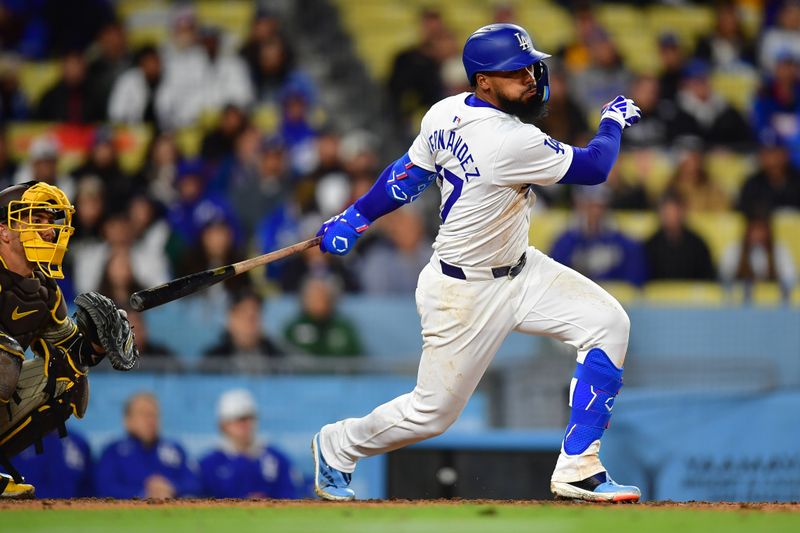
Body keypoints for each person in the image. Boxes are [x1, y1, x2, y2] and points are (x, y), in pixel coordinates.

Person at [310, 24, 642, 502]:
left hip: (522, 270)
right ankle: (338, 444)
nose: (530, 77)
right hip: (462, 293)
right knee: (433, 415)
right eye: (515, 72)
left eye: (530, 66)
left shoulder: (446, 112)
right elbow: (596, 167)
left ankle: (579, 467)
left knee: (608, 324)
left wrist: (357, 216)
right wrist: (612, 121)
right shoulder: (508, 140)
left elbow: (408, 173)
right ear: (483, 81)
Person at [0, 180, 137, 498]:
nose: (48, 230)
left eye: (50, 221)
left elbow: (73, 352)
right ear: (4, 230)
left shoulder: (44, 291)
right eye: (35, 219)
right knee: (4, 355)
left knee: (69, 374)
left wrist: (98, 340)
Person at [94, 392, 200, 499]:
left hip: (170, 511)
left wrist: (172, 488)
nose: (150, 420)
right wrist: (143, 494)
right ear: (127, 420)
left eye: (154, 415)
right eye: (143, 414)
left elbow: (195, 483)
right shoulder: (113, 452)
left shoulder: (175, 450)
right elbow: (105, 488)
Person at [199, 389, 298, 499]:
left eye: (250, 418)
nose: (246, 425)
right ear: (223, 424)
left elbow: (290, 493)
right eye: (239, 420)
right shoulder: (209, 463)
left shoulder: (276, 458)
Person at [550, 185, 647, 287]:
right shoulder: (565, 242)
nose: (595, 212)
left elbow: (634, 281)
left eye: (599, 206)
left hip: (611, 296)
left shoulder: (624, 244)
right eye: (589, 206)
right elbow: (555, 276)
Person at [203, 289, 284, 372]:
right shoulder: (212, 359)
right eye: (243, 313)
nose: (249, 321)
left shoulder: (279, 358)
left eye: (254, 315)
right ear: (230, 318)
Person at [283, 276, 363, 357]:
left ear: (331, 299)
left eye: (322, 295)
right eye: (312, 296)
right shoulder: (293, 327)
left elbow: (357, 359)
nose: (317, 301)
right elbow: (282, 358)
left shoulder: (344, 327)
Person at [644, 193, 715, 281]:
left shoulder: (698, 245)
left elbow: (708, 278)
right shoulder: (650, 245)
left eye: (674, 212)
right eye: (667, 213)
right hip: (658, 294)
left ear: (683, 212)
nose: (671, 217)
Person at [8, 427, 93, 498]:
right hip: (21, 512)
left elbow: (88, 489)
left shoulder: (79, 444)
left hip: (68, 513)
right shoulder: (14, 442)